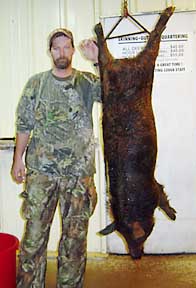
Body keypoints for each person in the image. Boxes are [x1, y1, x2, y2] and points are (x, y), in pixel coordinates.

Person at [11, 28, 100, 288]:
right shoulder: (36, 84)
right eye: (56, 47)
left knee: (74, 242)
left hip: (78, 175)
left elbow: (113, 94)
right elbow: (24, 124)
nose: (61, 52)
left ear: (73, 50)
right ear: (50, 52)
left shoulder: (87, 82)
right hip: (41, 173)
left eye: (66, 46)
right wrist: (18, 159)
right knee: (33, 239)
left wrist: (97, 61)